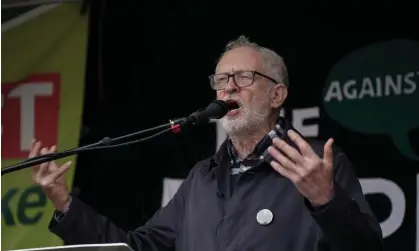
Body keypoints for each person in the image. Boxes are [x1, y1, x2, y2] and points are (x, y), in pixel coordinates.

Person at [31, 35, 384, 251]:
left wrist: (326, 202)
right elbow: (136, 248)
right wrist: (65, 204)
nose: (228, 87)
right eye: (220, 79)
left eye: (243, 77)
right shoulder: (203, 178)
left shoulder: (318, 165)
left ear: (277, 95)